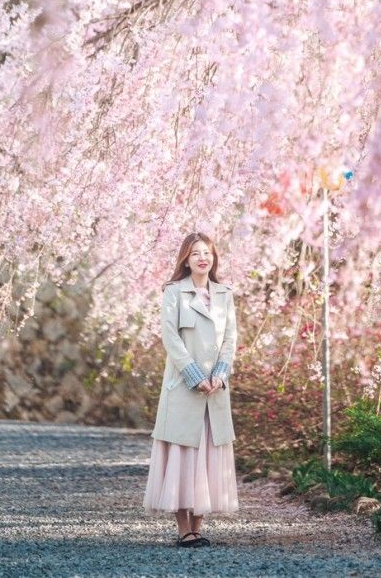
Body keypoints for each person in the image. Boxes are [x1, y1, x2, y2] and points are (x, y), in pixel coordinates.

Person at [143, 231, 238, 547]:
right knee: (184, 455)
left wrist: (220, 375)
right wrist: (196, 376)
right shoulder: (174, 292)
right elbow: (171, 339)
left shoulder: (225, 294)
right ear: (186, 258)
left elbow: (230, 341)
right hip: (185, 387)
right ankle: (184, 529)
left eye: (207, 253)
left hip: (215, 390)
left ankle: (198, 526)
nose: (202, 258)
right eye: (196, 253)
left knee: (208, 456)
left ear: (214, 257)